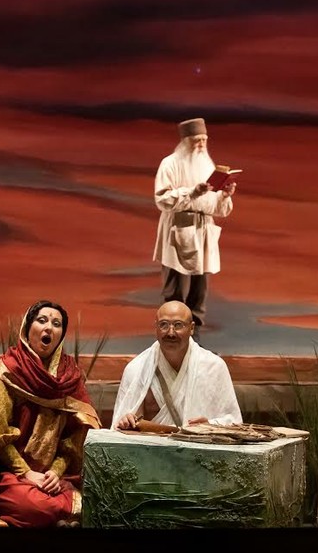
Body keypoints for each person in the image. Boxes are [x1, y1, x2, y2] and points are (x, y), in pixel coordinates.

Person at [0, 300, 101, 527]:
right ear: (27, 328)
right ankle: (58, 516)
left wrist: (55, 471)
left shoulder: (70, 377)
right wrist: (26, 473)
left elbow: (74, 437)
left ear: (61, 334)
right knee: (36, 506)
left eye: (57, 324)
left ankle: (30, 517)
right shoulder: (7, 372)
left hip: (52, 478)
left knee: (95, 503)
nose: (49, 328)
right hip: (7, 473)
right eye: (42, 321)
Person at [153, 117, 236, 336]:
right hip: (179, 230)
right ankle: (172, 335)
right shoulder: (170, 164)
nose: (201, 144)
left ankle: (195, 335)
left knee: (200, 289)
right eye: (196, 140)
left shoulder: (207, 165)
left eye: (204, 140)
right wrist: (193, 192)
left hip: (203, 231)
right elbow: (162, 199)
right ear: (185, 141)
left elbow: (217, 208)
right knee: (176, 288)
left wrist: (224, 195)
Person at [112, 300, 241, 430]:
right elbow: (122, 427)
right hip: (151, 442)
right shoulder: (136, 369)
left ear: (191, 328)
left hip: (198, 443)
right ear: (156, 327)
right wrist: (126, 422)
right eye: (163, 325)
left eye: (178, 325)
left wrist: (210, 425)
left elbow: (234, 422)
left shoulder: (214, 367)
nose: (171, 333)